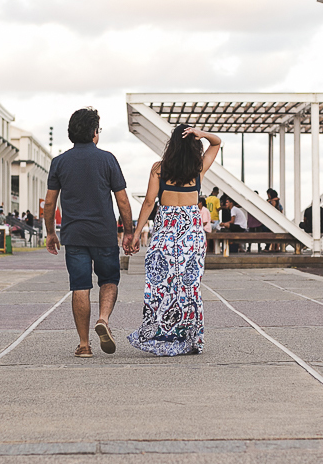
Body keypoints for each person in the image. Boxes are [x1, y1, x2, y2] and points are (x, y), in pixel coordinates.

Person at [44, 107, 134, 358]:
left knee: (80, 286)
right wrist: (129, 232)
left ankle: (84, 345)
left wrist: (51, 232)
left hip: (74, 236)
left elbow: (50, 202)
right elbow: (123, 200)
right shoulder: (107, 159)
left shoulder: (59, 162)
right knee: (109, 281)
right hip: (104, 234)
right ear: (95, 132)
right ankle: (103, 320)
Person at [125, 124, 221, 355]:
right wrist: (203, 134)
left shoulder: (159, 168)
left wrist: (136, 234)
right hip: (191, 235)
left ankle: (160, 334)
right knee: (189, 286)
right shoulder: (198, 168)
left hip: (166, 233)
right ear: (194, 143)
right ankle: (190, 338)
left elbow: (149, 203)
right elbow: (217, 142)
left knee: (160, 286)